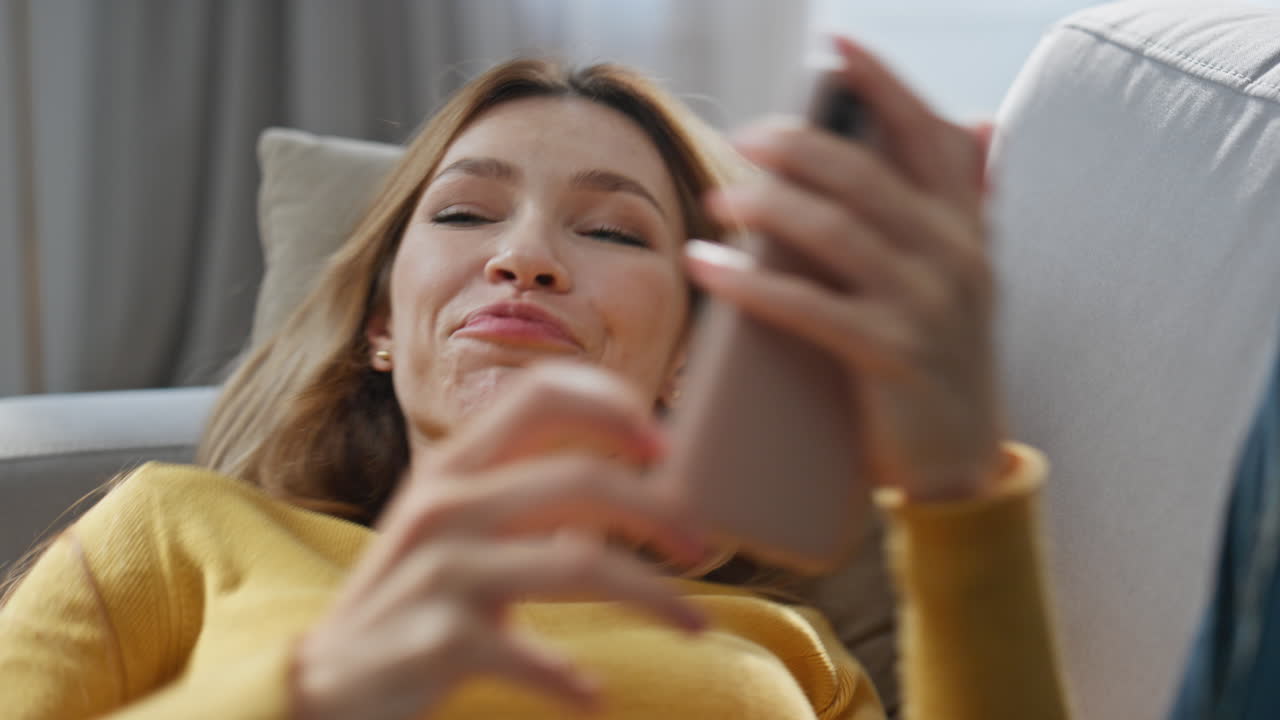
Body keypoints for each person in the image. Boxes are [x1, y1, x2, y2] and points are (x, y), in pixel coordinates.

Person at [0, 37, 1070, 719]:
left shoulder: (785, 650)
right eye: (465, 212)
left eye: (610, 230)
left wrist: (958, 498)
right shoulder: (177, 528)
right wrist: (302, 696)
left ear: (690, 354)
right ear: (381, 320)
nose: (524, 256)